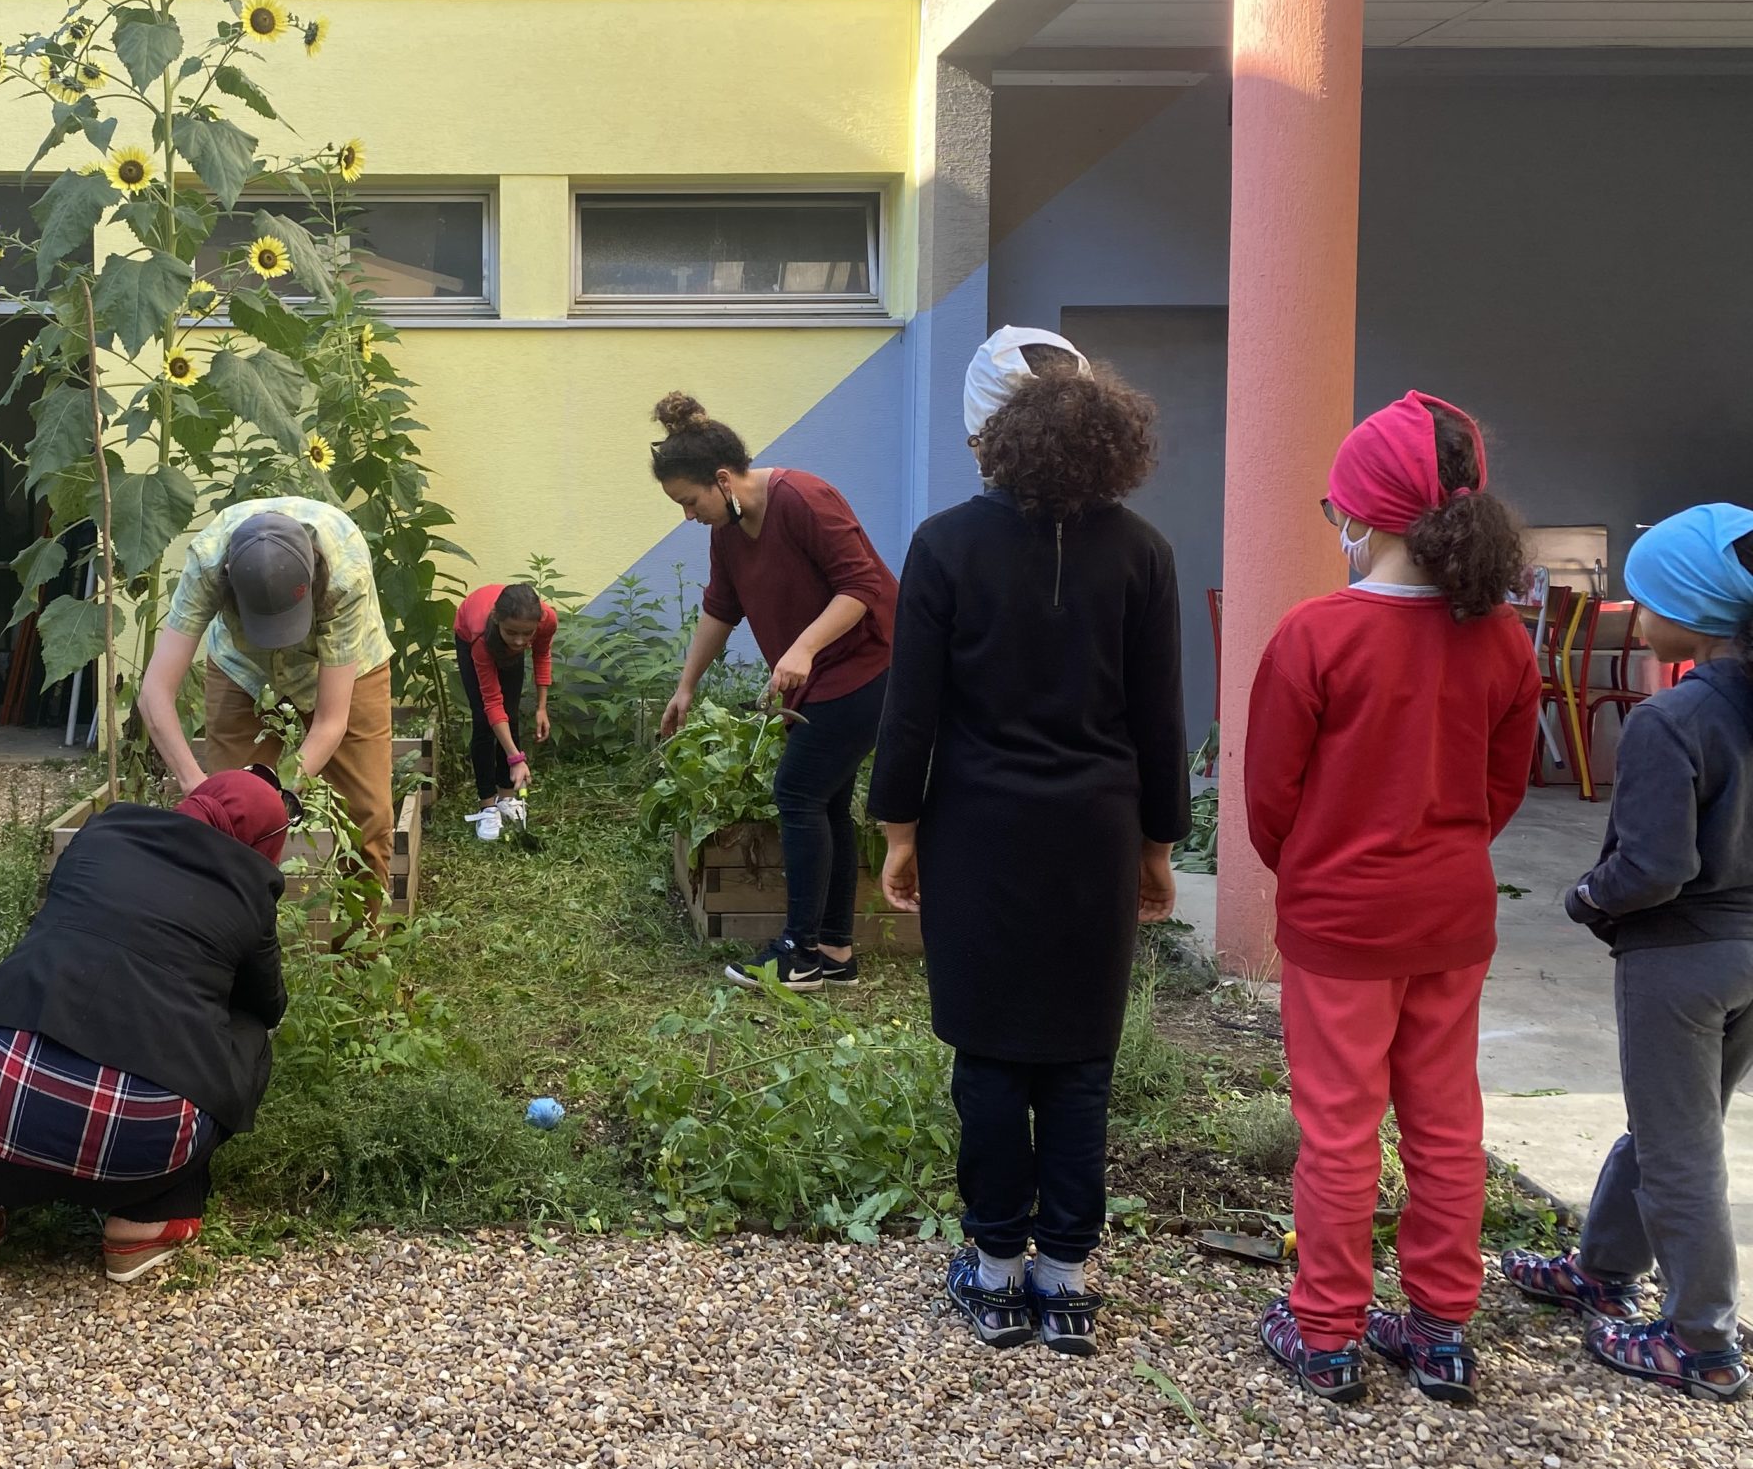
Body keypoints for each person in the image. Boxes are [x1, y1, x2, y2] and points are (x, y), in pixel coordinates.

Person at [871, 345, 1186, 1358]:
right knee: (1081, 1059)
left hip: (978, 830)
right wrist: (1157, 846)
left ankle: (995, 1271)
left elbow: (910, 709)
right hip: (1095, 832)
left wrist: (898, 829)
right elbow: (1157, 718)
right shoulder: (1142, 550)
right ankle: (1066, 1277)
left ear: (988, 434)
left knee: (991, 1054)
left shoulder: (944, 544)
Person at [1244, 392, 1540, 1405]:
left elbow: (1268, 799)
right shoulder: (1503, 639)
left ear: (1360, 515)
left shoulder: (1314, 633)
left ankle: (1326, 1330)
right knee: (1447, 1122)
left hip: (1339, 921)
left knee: (1338, 1129)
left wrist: (1319, 867)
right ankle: (1443, 1329)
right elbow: (1502, 790)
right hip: (1451, 916)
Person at [1502, 503, 1753, 1404]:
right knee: (1671, 1121)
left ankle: (1703, 1342)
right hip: (1746, 957)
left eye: (1647, 600)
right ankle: (1600, 1269)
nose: (1635, 617)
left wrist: (1585, 898)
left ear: (1695, 608)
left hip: (1678, 960)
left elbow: (1654, 867)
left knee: (1680, 1146)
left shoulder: (1670, 720)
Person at [0, 768, 291, 1287]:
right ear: (266, 845)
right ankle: (144, 1219)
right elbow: (266, 1006)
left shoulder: (105, 831)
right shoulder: (248, 889)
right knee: (247, 1036)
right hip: (136, 1158)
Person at [650, 393, 898, 990]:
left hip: (871, 664)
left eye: (690, 502)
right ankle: (834, 952)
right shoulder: (729, 531)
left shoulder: (805, 498)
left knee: (797, 794)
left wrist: (803, 647)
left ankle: (798, 953)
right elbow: (721, 607)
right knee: (827, 803)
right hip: (819, 679)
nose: (688, 516)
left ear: (722, 479)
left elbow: (861, 585)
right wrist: (686, 686)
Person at [141, 497, 395, 898]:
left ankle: (357, 958)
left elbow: (331, 721)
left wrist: (281, 795)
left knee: (368, 820)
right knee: (230, 827)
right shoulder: (208, 562)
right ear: (228, 577)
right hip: (242, 669)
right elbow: (155, 693)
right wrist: (198, 788)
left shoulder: (346, 570)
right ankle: (239, 953)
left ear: (313, 575)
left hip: (347, 671)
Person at [453, 581, 555, 840]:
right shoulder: (479, 636)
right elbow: (491, 702)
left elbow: (542, 654)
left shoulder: (543, 620)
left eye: (527, 634)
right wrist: (516, 758)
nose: (520, 641)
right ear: (498, 620)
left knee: (510, 712)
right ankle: (488, 805)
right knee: (483, 720)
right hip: (472, 638)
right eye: (512, 633)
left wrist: (542, 707)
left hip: (500, 634)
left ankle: (506, 797)